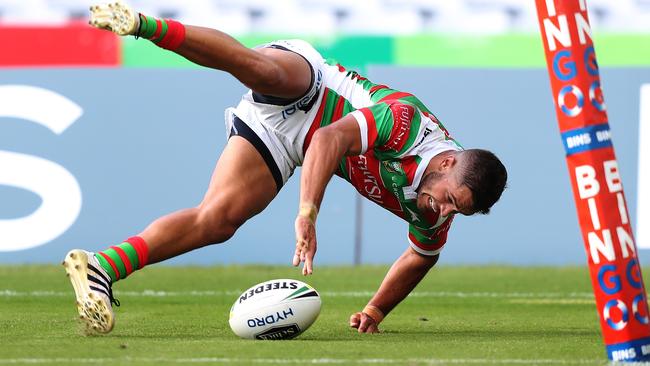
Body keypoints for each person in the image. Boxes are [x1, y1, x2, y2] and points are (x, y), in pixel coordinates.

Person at [63, 1, 508, 335]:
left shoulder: (438, 203)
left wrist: (375, 310)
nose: (444, 211)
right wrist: (308, 214)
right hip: (313, 91)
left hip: (285, 143)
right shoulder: (407, 124)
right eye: (450, 200)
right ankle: (145, 25)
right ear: (447, 162)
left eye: (457, 213)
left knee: (216, 220)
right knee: (261, 70)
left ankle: (101, 267)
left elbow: (420, 256)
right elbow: (330, 138)